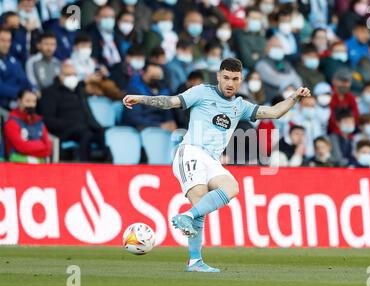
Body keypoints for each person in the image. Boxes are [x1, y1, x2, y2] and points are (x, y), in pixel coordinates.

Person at [123, 58, 311, 272]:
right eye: (226, 78)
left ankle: (188, 224)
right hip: (191, 151)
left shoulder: (240, 106)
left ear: (241, 80)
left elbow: (274, 112)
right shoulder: (201, 92)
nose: (230, 83)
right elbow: (170, 102)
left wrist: (294, 97)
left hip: (212, 159)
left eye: (235, 79)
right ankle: (195, 260)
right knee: (200, 202)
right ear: (219, 77)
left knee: (232, 188)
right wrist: (141, 98)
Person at [40, 62, 108, 162]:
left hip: (83, 126)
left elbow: (87, 109)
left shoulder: (78, 90)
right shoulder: (50, 92)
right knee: (86, 134)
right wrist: (69, 124)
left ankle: (106, 166)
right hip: (64, 129)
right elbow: (48, 119)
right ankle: (84, 165)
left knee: (101, 132)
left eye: (74, 75)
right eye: (68, 75)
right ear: (60, 76)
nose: (72, 78)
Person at [122, 62, 176, 132]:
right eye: (153, 76)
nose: (156, 79)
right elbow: (133, 118)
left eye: (158, 76)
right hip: (140, 129)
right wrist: (159, 125)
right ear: (143, 74)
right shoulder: (135, 89)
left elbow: (168, 114)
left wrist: (170, 123)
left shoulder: (164, 90)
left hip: (161, 129)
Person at [4, 90, 51, 163]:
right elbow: (21, 147)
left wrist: (29, 147)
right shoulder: (12, 123)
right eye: (27, 101)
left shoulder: (39, 122)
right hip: (16, 167)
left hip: (38, 168)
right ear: (19, 101)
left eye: (34, 102)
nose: (31, 105)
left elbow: (48, 148)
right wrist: (40, 144)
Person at [255, 36, 302, 103]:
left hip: (289, 101)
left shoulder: (286, 63)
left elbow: (298, 81)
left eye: (280, 47)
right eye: (275, 46)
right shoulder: (261, 63)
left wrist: (285, 78)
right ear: (267, 48)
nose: (278, 49)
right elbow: (275, 79)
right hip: (271, 102)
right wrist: (291, 78)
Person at [0, 27, 30, 110]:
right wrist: (20, 93)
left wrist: (31, 90)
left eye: (8, 41)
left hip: (21, 100)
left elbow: (24, 80)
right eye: (2, 40)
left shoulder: (14, 60)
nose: (6, 44)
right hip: (4, 104)